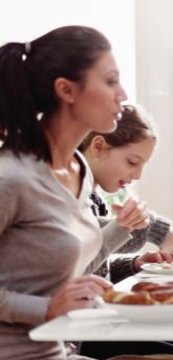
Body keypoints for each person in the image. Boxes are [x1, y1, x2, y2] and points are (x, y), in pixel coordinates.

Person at [0, 26, 152, 359]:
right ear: (66, 90)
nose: (122, 94)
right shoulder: (11, 177)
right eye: (110, 81)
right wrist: (45, 308)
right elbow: (49, 303)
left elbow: (67, 262)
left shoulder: (79, 170)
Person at [79, 104, 173, 283]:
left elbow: (92, 269)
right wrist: (153, 227)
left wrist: (134, 264)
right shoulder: (69, 193)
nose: (137, 175)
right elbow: (83, 244)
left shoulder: (96, 200)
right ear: (98, 147)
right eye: (132, 162)